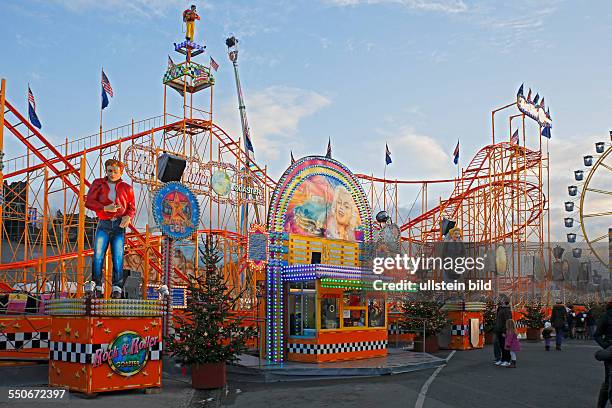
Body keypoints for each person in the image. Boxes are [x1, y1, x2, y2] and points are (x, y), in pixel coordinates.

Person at [85, 159, 135, 299]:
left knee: (118, 257)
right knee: (98, 255)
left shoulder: (127, 188)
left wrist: (128, 216)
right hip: (104, 222)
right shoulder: (98, 183)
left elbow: (132, 207)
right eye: (109, 171)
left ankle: (117, 287)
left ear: (121, 172)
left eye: (115, 171)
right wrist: (104, 208)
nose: (112, 174)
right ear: (106, 171)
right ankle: (97, 286)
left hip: (119, 225)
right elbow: (89, 202)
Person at [594, 298, 612, 408]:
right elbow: (597, 334)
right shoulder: (606, 316)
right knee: (608, 381)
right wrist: (607, 346)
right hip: (611, 352)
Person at [493, 299, 512, 366]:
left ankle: (507, 360)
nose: (500, 301)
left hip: (503, 330)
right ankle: (502, 359)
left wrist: (505, 331)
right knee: (501, 345)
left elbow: (508, 321)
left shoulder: (507, 310)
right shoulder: (500, 309)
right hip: (498, 330)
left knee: (505, 345)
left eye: (501, 300)